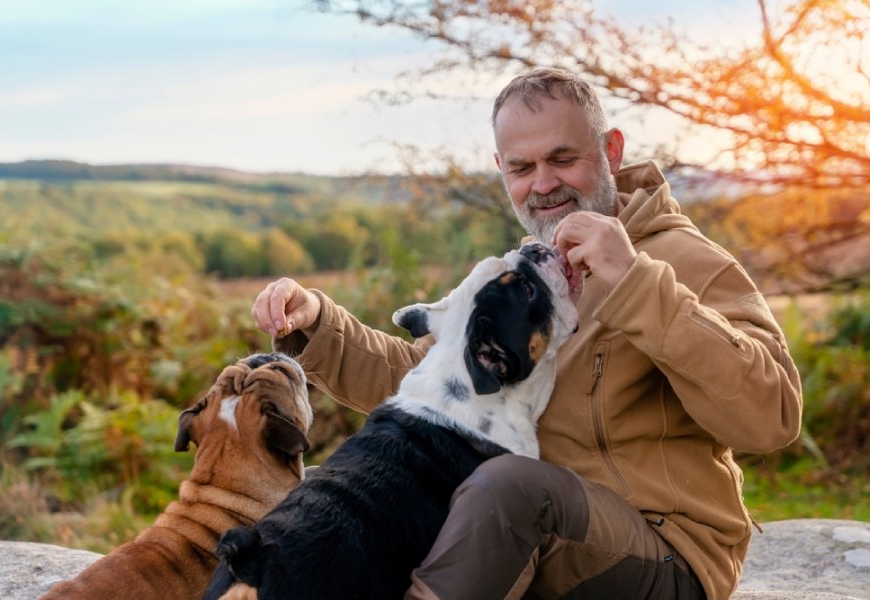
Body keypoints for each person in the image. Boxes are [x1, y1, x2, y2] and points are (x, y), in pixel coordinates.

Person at [252, 68, 803, 600]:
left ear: (611, 151)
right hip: (528, 531)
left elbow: (772, 416)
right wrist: (317, 323)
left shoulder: (688, 262)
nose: (543, 184)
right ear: (501, 169)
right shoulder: (530, 275)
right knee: (328, 501)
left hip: (663, 551)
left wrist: (636, 281)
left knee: (507, 487)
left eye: (563, 158)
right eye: (522, 167)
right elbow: (429, 382)